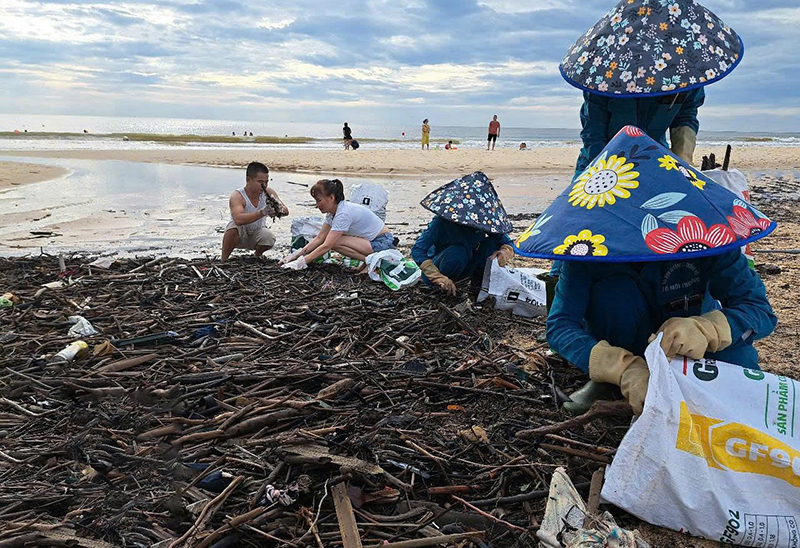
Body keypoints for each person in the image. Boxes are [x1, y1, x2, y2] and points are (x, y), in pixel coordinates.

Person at [513, 127, 776, 415]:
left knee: (742, 390)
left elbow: (759, 311)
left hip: (696, 352)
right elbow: (560, 326)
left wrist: (708, 328)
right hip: (625, 351)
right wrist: (620, 367)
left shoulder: (708, 237)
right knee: (616, 293)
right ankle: (616, 382)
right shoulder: (587, 252)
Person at [560, 0, 743, 178]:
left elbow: (685, 117)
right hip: (602, 160)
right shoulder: (604, 76)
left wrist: (682, 166)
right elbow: (594, 133)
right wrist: (599, 175)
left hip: (655, 160)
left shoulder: (686, 75)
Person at [412, 171, 515, 296]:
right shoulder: (441, 222)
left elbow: (507, 242)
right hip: (442, 268)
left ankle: (478, 284)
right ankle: (445, 288)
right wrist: (436, 276)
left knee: (491, 244)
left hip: (467, 266)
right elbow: (418, 250)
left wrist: (504, 253)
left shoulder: (483, 221)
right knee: (458, 251)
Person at [280, 179, 394, 270]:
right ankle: (369, 262)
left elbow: (327, 245)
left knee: (335, 242)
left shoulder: (343, 214)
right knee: (333, 240)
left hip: (382, 242)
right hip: (371, 241)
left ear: (331, 197)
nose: (316, 205)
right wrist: (294, 255)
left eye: (319, 200)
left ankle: (371, 262)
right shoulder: (332, 213)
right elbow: (319, 238)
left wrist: (301, 263)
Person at [221, 162, 289, 261]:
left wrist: (277, 209)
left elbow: (286, 211)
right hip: (240, 234)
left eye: (266, 182)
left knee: (269, 237)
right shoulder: (238, 196)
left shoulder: (269, 193)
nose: (264, 186)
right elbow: (238, 219)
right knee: (232, 228)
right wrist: (262, 212)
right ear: (248, 180)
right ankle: (224, 259)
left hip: (257, 233)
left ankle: (257, 256)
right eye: (260, 182)